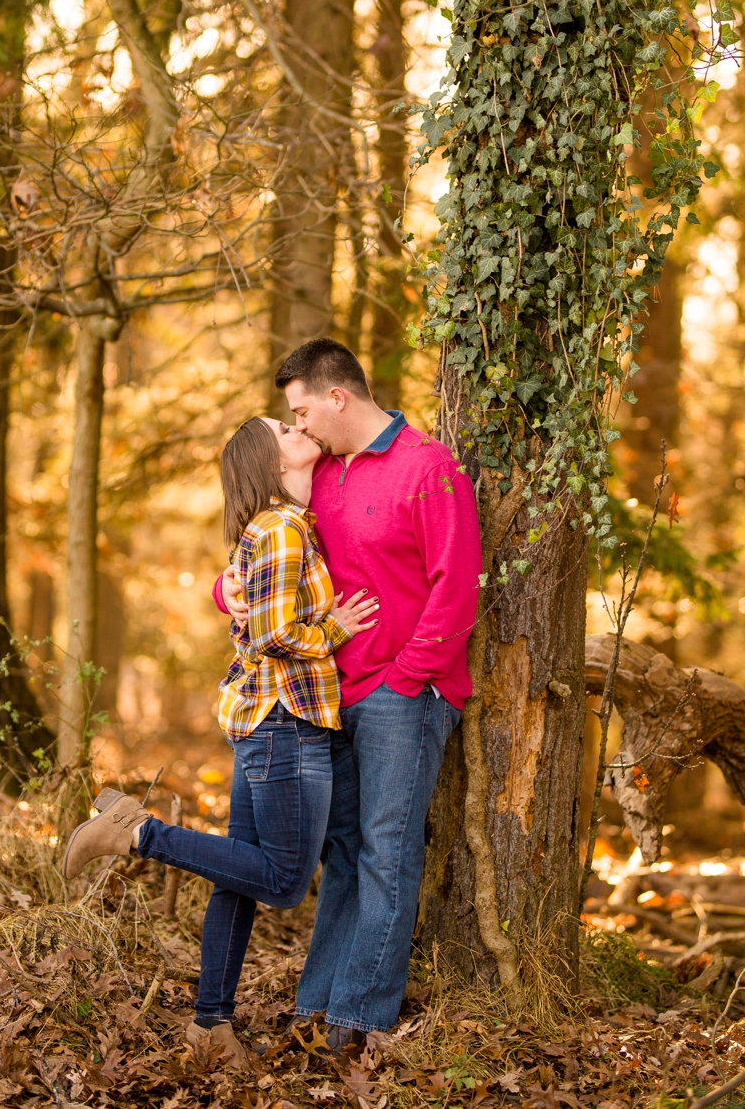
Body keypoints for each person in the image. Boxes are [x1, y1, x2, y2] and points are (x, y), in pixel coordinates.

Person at [62, 414, 380, 1068]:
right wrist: (336, 629)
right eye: (285, 433)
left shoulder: (269, 527)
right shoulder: (285, 527)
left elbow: (254, 610)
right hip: (286, 723)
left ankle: (211, 1025)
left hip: (265, 720)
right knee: (287, 882)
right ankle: (137, 835)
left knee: (236, 876)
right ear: (270, 466)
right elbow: (271, 636)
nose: (300, 431)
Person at [215, 338, 480, 1055]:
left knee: (387, 852)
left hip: (405, 693)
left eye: (301, 410)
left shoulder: (429, 468)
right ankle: (315, 1012)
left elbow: (455, 591)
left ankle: (358, 1023)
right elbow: (271, 561)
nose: (296, 426)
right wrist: (225, 591)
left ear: (338, 397)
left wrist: (405, 676)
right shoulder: (321, 478)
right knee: (344, 852)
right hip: (328, 693)